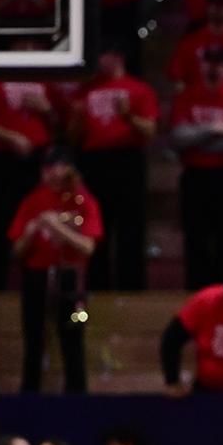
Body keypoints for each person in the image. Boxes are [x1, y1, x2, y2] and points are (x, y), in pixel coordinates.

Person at [8, 147, 103, 394]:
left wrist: (56, 227)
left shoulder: (82, 200)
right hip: (36, 277)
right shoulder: (32, 200)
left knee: (72, 339)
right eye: (48, 168)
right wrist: (31, 232)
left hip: (70, 279)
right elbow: (17, 251)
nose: (53, 174)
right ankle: (29, 396)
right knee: (34, 341)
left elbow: (88, 247)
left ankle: (76, 397)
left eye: (59, 167)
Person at [70, 47, 156, 291]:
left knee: (131, 226)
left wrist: (128, 116)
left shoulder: (139, 89)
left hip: (128, 161)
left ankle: (132, 288)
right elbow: (72, 137)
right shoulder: (85, 90)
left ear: (117, 57)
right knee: (96, 225)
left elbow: (149, 130)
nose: (98, 61)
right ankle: (97, 287)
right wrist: (76, 119)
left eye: (102, 55)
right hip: (94, 161)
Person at [170, 45, 223, 290]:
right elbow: (177, 138)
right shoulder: (186, 96)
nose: (214, 68)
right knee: (196, 238)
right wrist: (212, 131)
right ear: (201, 64)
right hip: (195, 177)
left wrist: (197, 143)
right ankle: (197, 295)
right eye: (209, 62)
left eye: (219, 63)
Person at [0, 74, 56, 290]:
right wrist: (11, 137)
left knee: (38, 226)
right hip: (3, 162)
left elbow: (64, 125)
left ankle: (37, 290)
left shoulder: (45, 79)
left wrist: (47, 110)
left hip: (38, 162)